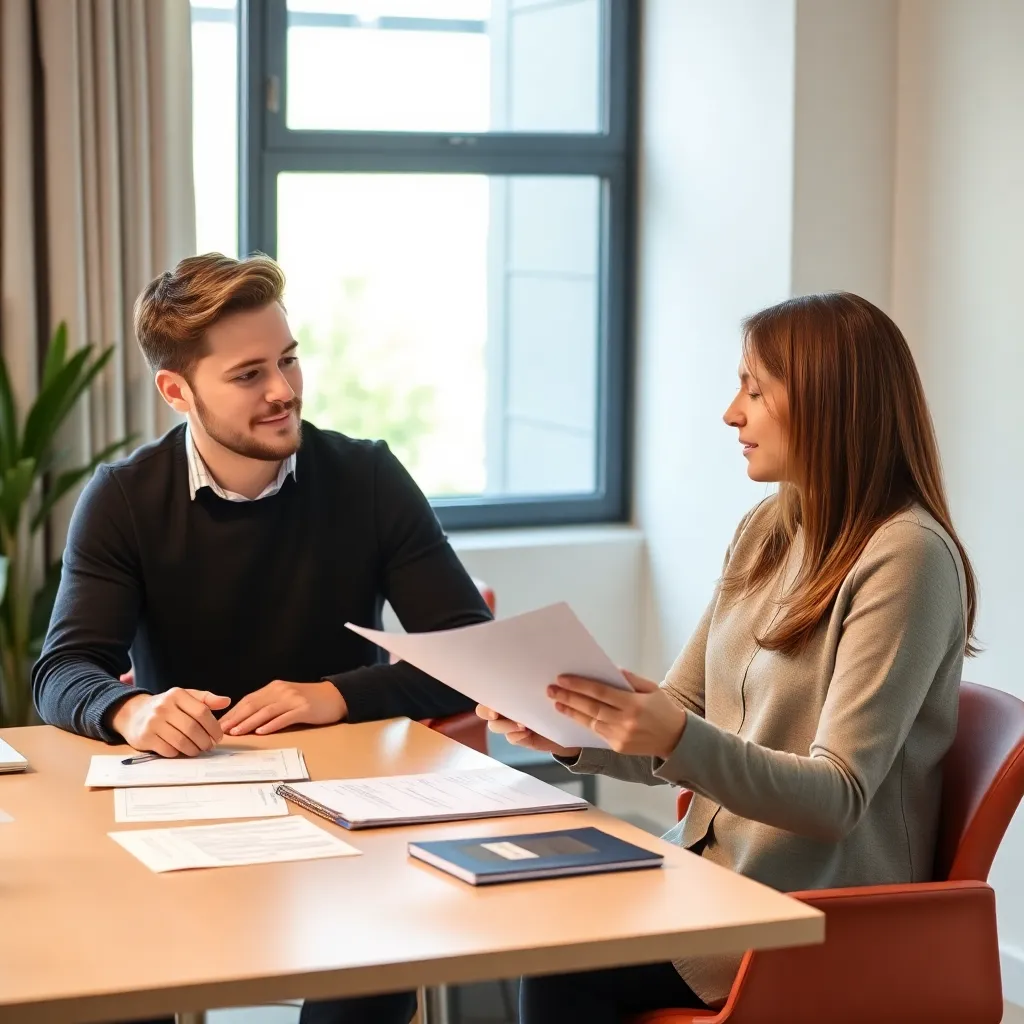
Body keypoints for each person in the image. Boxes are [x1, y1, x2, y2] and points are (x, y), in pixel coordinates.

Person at [478, 292, 977, 1023]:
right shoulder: (768, 529)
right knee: (533, 914)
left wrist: (672, 737)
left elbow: (837, 797)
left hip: (807, 913)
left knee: (562, 958)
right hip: (707, 878)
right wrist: (574, 730)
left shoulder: (907, 557)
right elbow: (682, 715)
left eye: (754, 390)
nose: (731, 414)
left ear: (829, 405)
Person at [32, 252, 492, 1024]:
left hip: (351, 814)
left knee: (367, 983)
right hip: (188, 809)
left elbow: (468, 655)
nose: (284, 391)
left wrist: (331, 696)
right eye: (249, 375)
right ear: (177, 391)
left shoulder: (367, 477)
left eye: (288, 360)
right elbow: (63, 672)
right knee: (111, 982)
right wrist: (132, 713)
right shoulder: (122, 500)